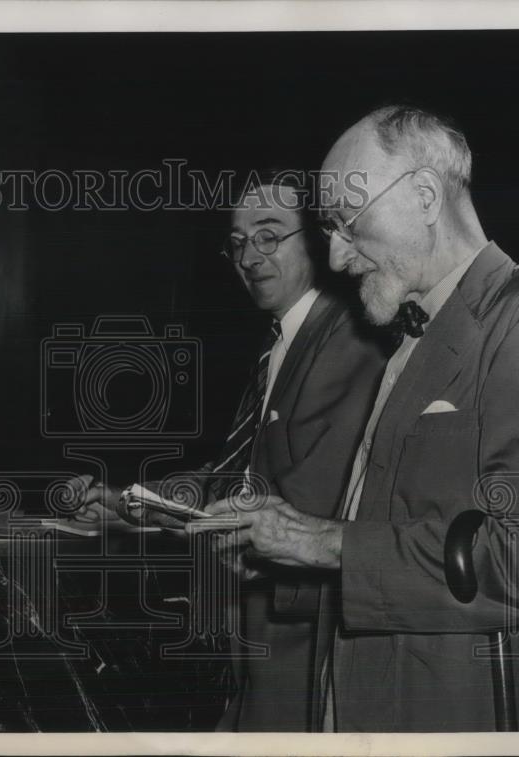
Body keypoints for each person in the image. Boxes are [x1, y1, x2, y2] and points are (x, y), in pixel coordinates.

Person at [195, 106, 519, 731]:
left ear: (424, 196)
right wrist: (292, 535)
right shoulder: (407, 336)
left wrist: (325, 541)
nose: (338, 259)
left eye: (349, 224)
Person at [70, 173, 388, 730]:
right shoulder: (283, 342)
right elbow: (236, 475)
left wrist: (153, 513)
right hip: (260, 633)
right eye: (238, 243)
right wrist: (130, 501)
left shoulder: (344, 338)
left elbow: (298, 501)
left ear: (316, 239)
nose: (249, 256)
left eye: (269, 236)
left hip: (299, 634)